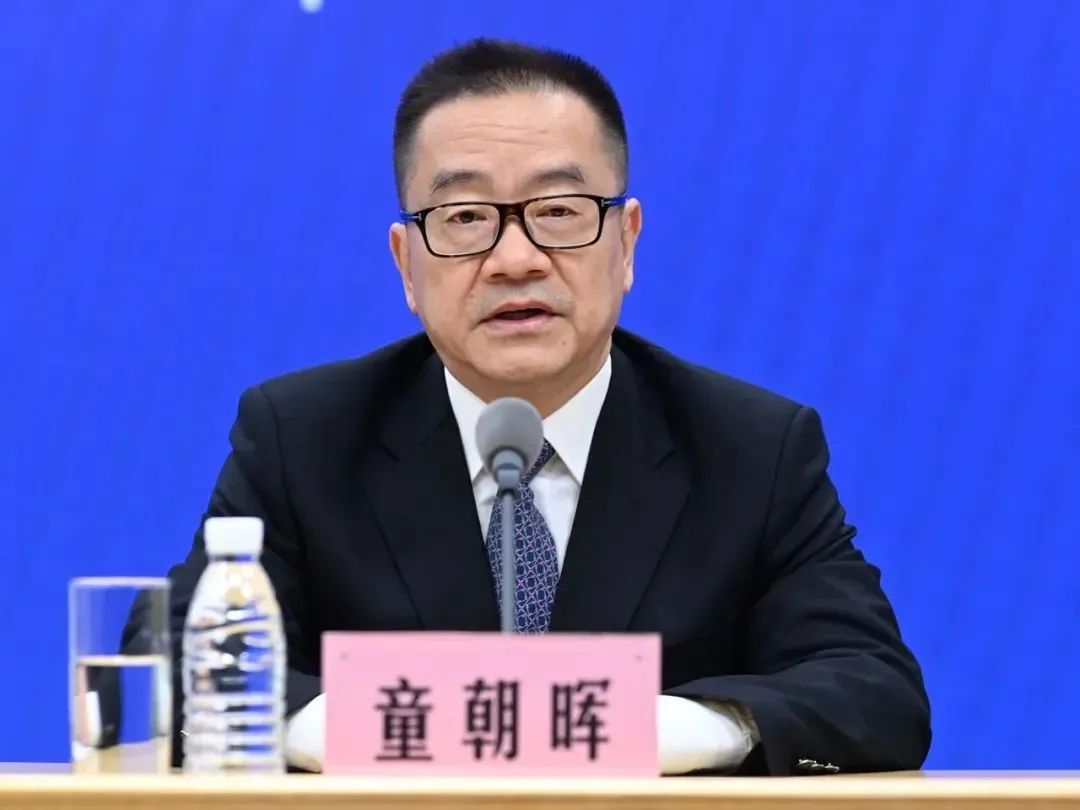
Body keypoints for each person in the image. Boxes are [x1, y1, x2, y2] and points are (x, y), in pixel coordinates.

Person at [165, 38, 931, 775]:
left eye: (560, 211)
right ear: (405, 264)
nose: (515, 259)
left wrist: (661, 731)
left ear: (626, 243)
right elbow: (176, 661)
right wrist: (367, 730)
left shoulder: (750, 449)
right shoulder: (304, 438)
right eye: (465, 217)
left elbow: (873, 691)